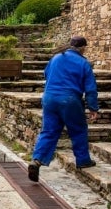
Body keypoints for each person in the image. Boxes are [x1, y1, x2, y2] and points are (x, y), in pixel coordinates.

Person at [28, 35, 99, 182]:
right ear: (83, 48)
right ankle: (83, 160)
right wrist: (93, 108)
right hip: (69, 99)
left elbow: (46, 74)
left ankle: (37, 160)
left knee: (48, 131)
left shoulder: (55, 58)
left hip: (49, 98)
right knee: (78, 129)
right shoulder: (83, 63)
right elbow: (90, 89)